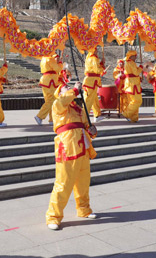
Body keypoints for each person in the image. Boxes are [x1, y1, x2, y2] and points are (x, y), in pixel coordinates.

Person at [45, 81, 98, 230]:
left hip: (83, 147)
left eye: (70, 87)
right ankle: (53, 216)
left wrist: (92, 131)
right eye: (66, 88)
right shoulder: (58, 105)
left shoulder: (79, 109)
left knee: (83, 182)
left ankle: (84, 209)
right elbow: (64, 99)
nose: (69, 88)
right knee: (63, 183)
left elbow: (87, 126)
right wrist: (74, 90)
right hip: (67, 147)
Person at [34, 53, 63, 126]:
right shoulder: (50, 59)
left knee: (49, 100)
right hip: (51, 81)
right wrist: (59, 63)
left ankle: (52, 119)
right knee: (51, 100)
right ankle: (40, 116)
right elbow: (58, 69)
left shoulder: (44, 58)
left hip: (46, 81)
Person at [82, 47, 105, 123]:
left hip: (92, 80)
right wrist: (102, 66)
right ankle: (84, 117)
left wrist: (101, 64)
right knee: (89, 100)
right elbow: (97, 70)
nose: (97, 51)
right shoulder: (94, 59)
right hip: (91, 81)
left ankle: (97, 115)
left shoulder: (89, 57)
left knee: (94, 99)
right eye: (96, 49)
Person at [120, 50, 143, 122]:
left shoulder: (128, 63)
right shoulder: (131, 63)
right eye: (135, 56)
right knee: (137, 101)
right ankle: (127, 114)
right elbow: (136, 72)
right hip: (132, 84)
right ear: (131, 56)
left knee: (132, 101)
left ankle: (134, 118)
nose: (136, 57)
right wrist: (141, 68)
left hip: (131, 84)